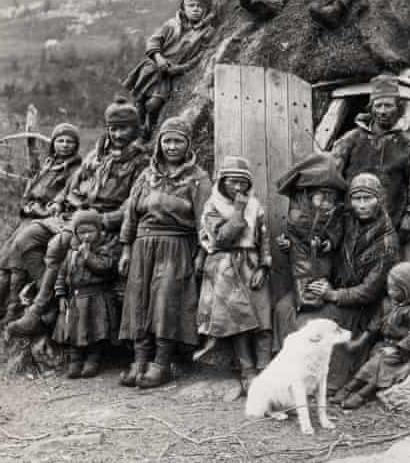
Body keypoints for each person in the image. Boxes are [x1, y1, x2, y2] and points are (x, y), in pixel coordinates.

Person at [6, 100, 149, 337]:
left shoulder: (140, 161)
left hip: (103, 221)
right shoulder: (96, 156)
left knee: (58, 245)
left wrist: (104, 220)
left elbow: (132, 204)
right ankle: (49, 298)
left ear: (134, 129)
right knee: (26, 239)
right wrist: (61, 202)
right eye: (112, 128)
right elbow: (73, 185)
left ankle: (37, 310)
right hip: (75, 213)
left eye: (123, 128)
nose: (117, 134)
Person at [275, 172, 398, 391]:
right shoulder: (347, 218)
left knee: (311, 323)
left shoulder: (386, 242)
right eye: (356, 199)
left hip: (359, 307)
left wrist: (332, 295)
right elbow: (316, 236)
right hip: (332, 287)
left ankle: (323, 380)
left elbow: (370, 291)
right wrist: (292, 246)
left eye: (367, 198)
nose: (361, 205)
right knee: (284, 307)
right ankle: (288, 372)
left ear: (380, 199)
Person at [118, 117, 211, 389]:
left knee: (165, 301)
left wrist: (202, 255)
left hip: (176, 246)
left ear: (188, 144)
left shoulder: (197, 179)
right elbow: (130, 215)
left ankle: (162, 363)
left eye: (178, 141)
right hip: (143, 245)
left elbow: (206, 220)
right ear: (159, 143)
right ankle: (139, 361)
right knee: (138, 299)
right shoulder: (146, 176)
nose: (172, 147)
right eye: (167, 141)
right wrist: (126, 250)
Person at [0, 122, 82, 322]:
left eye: (70, 141)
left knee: (17, 256)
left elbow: (63, 197)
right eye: (60, 140)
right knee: (9, 257)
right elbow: (32, 189)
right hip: (31, 215)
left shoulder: (75, 170)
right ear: (54, 143)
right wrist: (27, 206)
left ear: (76, 145)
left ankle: (11, 307)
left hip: (50, 218)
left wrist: (44, 209)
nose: (65, 145)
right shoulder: (49, 164)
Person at [195, 156, 274, 395]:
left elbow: (264, 237)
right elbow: (222, 238)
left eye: (243, 183)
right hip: (225, 266)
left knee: (262, 317)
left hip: (250, 263)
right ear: (221, 182)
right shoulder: (212, 207)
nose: (238, 188)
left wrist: (263, 266)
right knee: (237, 321)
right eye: (232, 182)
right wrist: (238, 210)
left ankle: (265, 367)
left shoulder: (255, 205)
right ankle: (247, 369)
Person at [331, 75, 410, 263]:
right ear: (371, 108)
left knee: (383, 271)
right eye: (378, 106)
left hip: (390, 221)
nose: (383, 111)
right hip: (351, 220)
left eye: (388, 105)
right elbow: (331, 173)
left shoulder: (408, 143)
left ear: (398, 108)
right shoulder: (351, 139)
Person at [332, 261, 410, 409]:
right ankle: (349, 387)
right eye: (389, 286)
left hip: (402, 352)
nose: (390, 291)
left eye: (394, 289)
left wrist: (397, 349)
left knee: (381, 364)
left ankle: (363, 394)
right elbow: (376, 322)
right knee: (371, 362)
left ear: (406, 289)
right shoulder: (389, 302)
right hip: (384, 344)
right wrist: (362, 340)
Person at [122, 0, 216, 140]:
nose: (195, 9)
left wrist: (180, 68)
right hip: (153, 68)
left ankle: (151, 127)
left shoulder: (206, 32)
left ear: (207, 10)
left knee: (153, 104)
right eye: (191, 5)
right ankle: (137, 133)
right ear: (183, 7)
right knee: (139, 101)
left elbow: (201, 56)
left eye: (200, 6)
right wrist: (158, 57)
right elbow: (153, 41)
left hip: (169, 73)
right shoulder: (171, 24)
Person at [274, 152, 347, 316]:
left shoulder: (334, 215)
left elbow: (337, 229)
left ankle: (318, 295)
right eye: (321, 198)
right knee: (304, 282)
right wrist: (288, 243)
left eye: (331, 199)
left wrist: (330, 241)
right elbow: (294, 230)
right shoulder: (299, 214)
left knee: (322, 281)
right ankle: (305, 298)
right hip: (302, 260)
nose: (326, 203)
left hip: (324, 262)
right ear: (309, 196)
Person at [52, 209, 121, 379]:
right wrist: (61, 295)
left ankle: (92, 360)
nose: (86, 236)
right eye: (81, 232)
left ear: (99, 232)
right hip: (76, 297)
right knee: (74, 331)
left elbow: (105, 268)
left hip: (96, 297)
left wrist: (88, 255)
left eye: (90, 231)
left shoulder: (104, 249)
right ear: (75, 233)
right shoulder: (71, 252)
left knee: (95, 331)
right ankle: (75, 361)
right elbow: (62, 274)